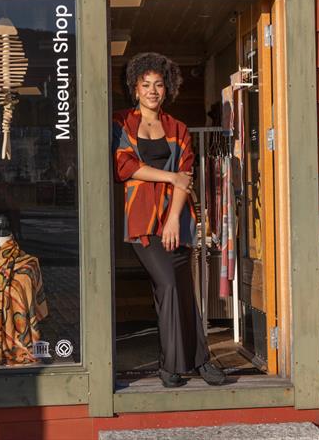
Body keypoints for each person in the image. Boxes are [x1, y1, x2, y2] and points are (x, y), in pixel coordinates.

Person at [112, 52, 227, 388]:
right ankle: (172, 364)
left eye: (158, 85)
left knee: (184, 289)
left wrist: (175, 219)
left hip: (177, 221)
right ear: (135, 89)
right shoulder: (123, 123)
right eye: (145, 85)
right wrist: (170, 177)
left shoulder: (178, 128)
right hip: (143, 222)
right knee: (168, 285)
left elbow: (186, 175)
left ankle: (198, 361)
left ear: (167, 88)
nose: (152, 90)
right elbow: (126, 168)